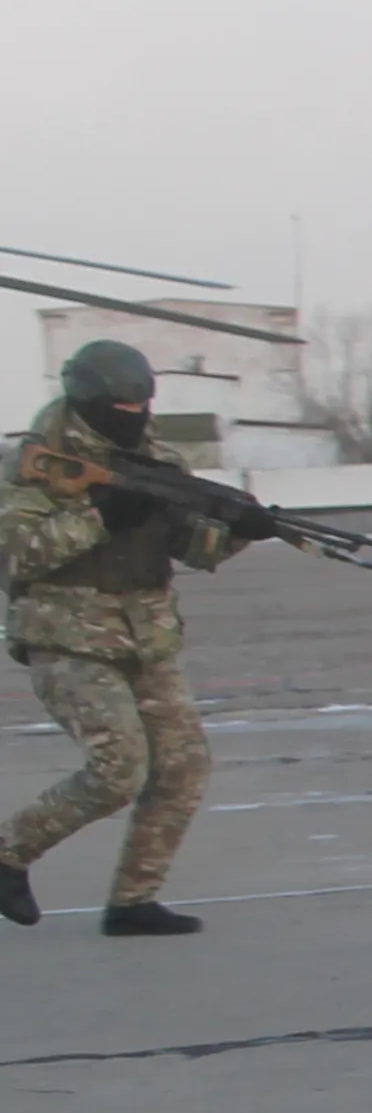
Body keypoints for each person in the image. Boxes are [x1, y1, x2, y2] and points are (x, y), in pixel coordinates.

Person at [1, 338, 274, 935]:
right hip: (66, 639)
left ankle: (133, 901)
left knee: (182, 767)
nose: (134, 421)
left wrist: (244, 529)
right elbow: (14, 553)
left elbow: (189, 547)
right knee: (117, 768)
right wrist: (99, 516)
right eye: (119, 412)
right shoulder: (37, 462)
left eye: (141, 410)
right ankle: (7, 852)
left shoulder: (159, 464)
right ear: (87, 402)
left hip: (144, 638)